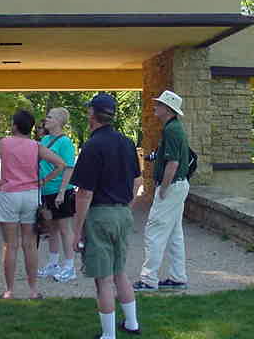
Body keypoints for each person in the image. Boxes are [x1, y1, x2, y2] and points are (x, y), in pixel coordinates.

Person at [0, 110, 66, 300]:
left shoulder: (4, 143)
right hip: (30, 196)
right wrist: (44, 181)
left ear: (14, 126)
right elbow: (61, 164)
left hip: (9, 195)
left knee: (10, 245)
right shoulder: (36, 146)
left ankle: (9, 291)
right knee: (30, 245)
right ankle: (33, 290)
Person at [71, 93, 142, 338]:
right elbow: (137, 180)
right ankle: (132, 324)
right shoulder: (127, 143)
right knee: (120, 272)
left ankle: (109, 335)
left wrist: (77, 230)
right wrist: (126, 207)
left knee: (103, 279)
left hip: (100, 215)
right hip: (123, 213)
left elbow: (84, 193)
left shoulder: (92, 146)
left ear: (92, 113)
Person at [134, 90, 190, 292]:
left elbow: (172, 163)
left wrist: (163, 188)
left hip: (171, 186)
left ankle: (148, 279)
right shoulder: (174, 128)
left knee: (154, 231)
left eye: (159, 105)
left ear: (168, 109)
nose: (155, 107)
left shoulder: (171, 130)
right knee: (174, 234)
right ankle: (177, 277)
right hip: (178, 185)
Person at [36, 107, 77, 283]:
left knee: (65, 229)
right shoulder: (44, 139)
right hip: (46, 190)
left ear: (59, 121)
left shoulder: (65, 142)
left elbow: (68, 168)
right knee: (52, 228)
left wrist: (61, 192)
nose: (46, 119)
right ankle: (53, 264)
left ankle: (69, 266)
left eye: (50, 117)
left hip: (61, 190)